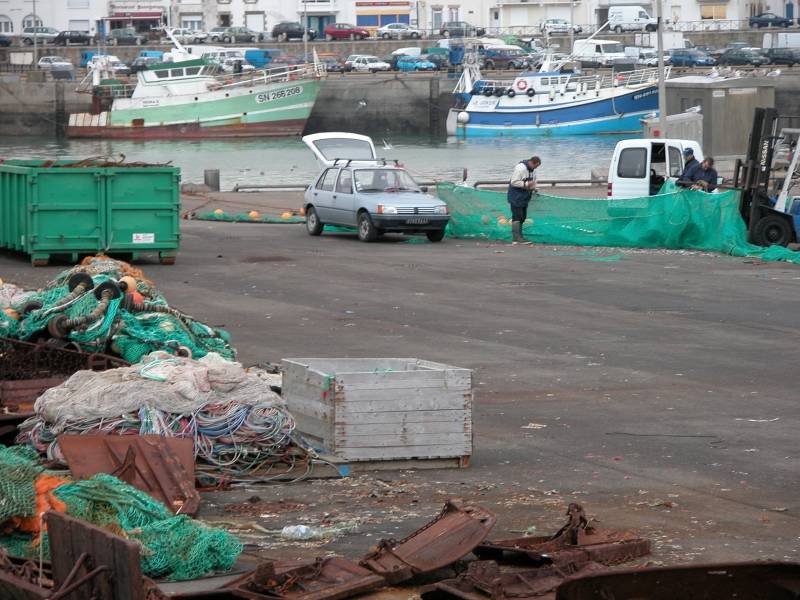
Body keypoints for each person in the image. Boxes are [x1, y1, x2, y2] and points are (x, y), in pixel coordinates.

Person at [507, 156, 541, 244]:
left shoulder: (532, 171)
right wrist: (526, 184)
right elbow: (513, 182)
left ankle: (519, 236)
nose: (536, 168)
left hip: (524, 197)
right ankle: (516, 238)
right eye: (536, 166)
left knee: (523, 217)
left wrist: (534, 188)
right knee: (517, 216)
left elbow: (533, 182)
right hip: (516, 197)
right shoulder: (520, 168)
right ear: (532, 162)